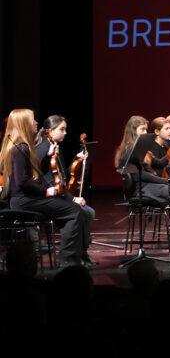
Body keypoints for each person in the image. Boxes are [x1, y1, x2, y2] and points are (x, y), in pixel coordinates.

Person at [0, 109, 89, 268]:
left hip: (24, 199)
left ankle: (72, 258)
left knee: (72, 210)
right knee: (75, 211)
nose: (36, 123)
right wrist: (47, 191)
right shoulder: (21, 147)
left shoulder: (22, 146)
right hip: (24, 200)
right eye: (33, 120)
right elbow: (22, 182)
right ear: (24, 123)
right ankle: (68, 261)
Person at [33, 115, 97, 267]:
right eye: (62, 129)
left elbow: (63, 175)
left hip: (60, 193)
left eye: (65, 129)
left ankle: (81, 253)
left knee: (88, 212)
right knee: (85, 212)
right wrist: (72, 199)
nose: (65, 132)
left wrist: (77, 159)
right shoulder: (43, 148)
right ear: (50, 131)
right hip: (49, 195)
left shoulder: (55, 146)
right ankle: (73, 257)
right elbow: (47, 180)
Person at [114, 115, 170, 204]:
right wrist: (164, 180)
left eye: (146, 129)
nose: (145, 132)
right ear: (133, 131)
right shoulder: (128, 150)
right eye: (142, 129)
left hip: (149, 185)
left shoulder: (141, 147)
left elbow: (150, 168)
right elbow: (140, 175)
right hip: (143, 188)